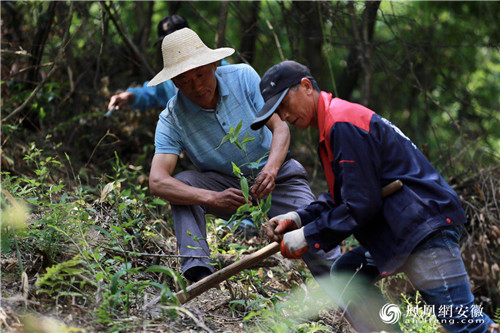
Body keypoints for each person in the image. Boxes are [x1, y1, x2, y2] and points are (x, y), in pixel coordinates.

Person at [252, 60, 498, 332]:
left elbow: (361, 204)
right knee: (347, 274)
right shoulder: (333, 126)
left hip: (423, 227)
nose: (284, 116)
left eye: (284, 104)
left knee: (464, 323)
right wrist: (298, 217)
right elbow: (347, 195)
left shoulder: (342, 124)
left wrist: (308, 236)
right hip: (402, 228)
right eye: (278, 111)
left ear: (306, 87)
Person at [146, 29, 340, 283]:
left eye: (200, 74)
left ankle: (349, 292)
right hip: (227, 187)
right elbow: (157, 181)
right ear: (174, 83)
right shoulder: (171, 118)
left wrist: (270, 169)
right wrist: (212, 197)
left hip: (279, 176)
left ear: (213, 64)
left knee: (318, 241)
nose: (196, 86)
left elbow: (280, 127)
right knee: (181, 184)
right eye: (184, 80)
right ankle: (198, 273)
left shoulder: (243, 77)